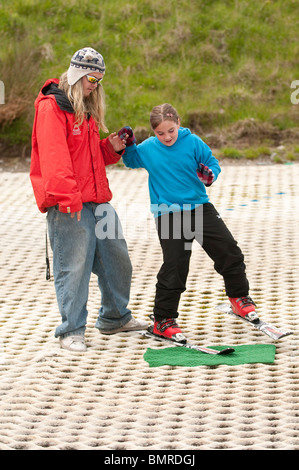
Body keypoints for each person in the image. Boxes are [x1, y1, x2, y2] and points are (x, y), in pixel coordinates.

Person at [30, 47, 147, 352]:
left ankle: (115, 318)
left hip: (97, 200)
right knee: (74, 266)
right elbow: (55, 160)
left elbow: (87, 155)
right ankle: (71, 330)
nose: (96, 85)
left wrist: (112, 147)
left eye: (100, 80)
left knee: (117, 259)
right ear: (79, 74)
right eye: (92, 78)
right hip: (68, 203)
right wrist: (68, 200)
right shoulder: (52, 107)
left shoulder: (85, 108)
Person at [118, 103, 258, 343]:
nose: (167, 137)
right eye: (160, 133)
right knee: (175, 265)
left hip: (200, 208)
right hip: (168, 214)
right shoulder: (149, 148)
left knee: (228, 250)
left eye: (170, 130)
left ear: (178, 123)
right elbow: (131, 160)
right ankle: (163, 320)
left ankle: (239, 298)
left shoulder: (193, 143)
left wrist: (209, 174)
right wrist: (128, 144)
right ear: (154, 132)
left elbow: (212, 163)